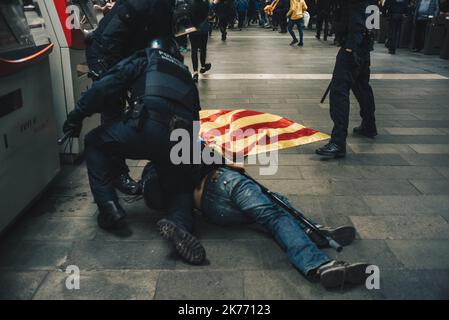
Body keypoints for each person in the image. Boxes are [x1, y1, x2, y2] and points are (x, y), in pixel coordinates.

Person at [62, 37, 207, 265]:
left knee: (95, 142)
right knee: (180, 186)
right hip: (182, 137)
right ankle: (181, 224)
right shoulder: (185, 74)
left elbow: (105, 87)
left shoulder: (145, 57)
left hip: (148, 125)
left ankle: (109, 207)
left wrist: (76, 116)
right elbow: (197, 117)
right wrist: (189, 159)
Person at [141, 160, 371, 289]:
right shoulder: (184, 141)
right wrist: (225, 162)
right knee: (275, 213)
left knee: (274, 208)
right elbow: (199, 160)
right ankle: (319, 263)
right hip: (223, 182)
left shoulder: (157, 171)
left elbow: (156, 199)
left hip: (212, 212)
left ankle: (313, 231)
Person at [84, 0, 208, 195]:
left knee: (150, 100)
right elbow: (110, 39)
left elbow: (165, 45)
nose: (183, 24)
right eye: (185, 19)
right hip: (106, 54)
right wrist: (122, 76)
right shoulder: (145, 4)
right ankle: (117, 173)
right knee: (113, 107)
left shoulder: (166, 10)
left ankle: (158, 152)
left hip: (131, 51)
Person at [316, 0, 377, 158]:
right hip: (363, 46)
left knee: (339, 92)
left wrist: (350, 47)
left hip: (352, 47)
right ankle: (369, 126)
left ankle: (338, 142)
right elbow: (373, 18)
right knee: (362, 88)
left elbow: (356, 17)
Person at [189, 9, 213, 82]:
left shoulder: (191, 3)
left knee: (194, 49)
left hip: (193, 30)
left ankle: (195, 72)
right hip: (203, 30)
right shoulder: (205, 3)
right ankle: (203, 67)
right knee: (203, 48)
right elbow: (210, 15)